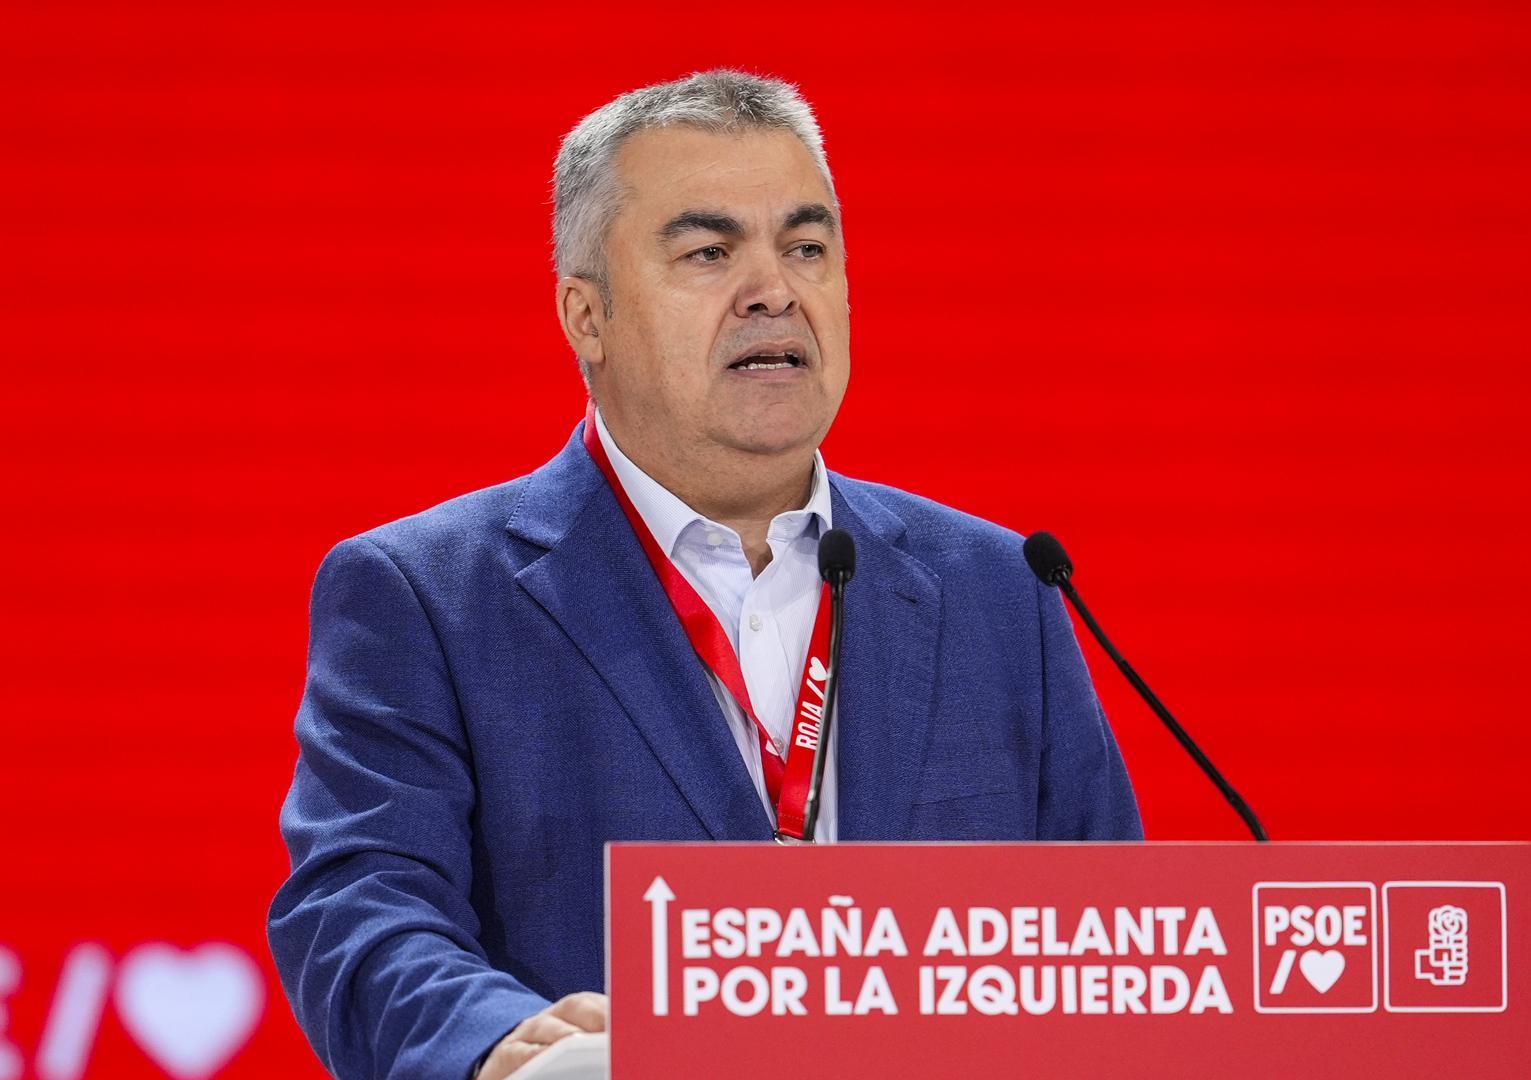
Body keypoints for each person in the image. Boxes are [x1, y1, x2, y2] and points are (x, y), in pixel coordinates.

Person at [266, 69, 1142, 1080]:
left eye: (806, 248)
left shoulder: (1002, 587)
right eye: (710, 252)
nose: (775, 289)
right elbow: (361, 903)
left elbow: (1106, 937)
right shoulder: (427, 595)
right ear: (584, 316)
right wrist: (496, 1037)